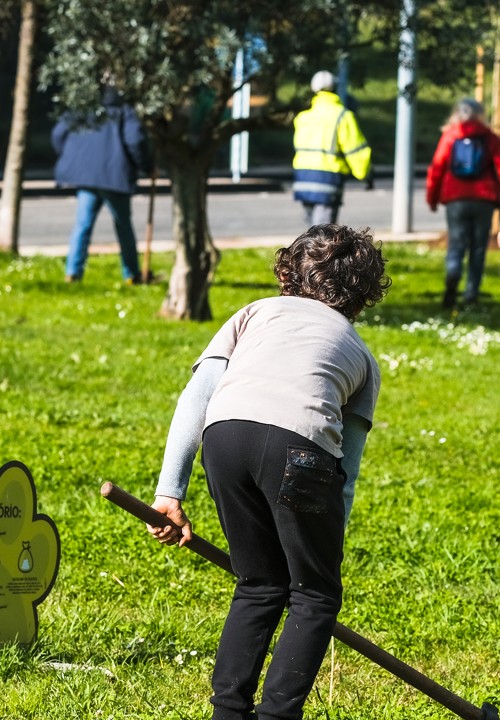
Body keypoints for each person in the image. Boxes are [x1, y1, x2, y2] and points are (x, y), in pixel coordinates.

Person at [147, 224, 390, 720]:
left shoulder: (253, 313)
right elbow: (346, 466)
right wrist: (326, 541)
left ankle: (228, 712)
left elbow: (196, 397)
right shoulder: (361, 355)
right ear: (363, 294)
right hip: (301, 450)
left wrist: (170, 491)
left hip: (225, 437)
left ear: (288, 273)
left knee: (258, 583)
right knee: (315, 593)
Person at [52, 86, 149, 283]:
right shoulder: (124, 110)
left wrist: (72, 155)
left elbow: (58, 134)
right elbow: (135, 140)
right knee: (123, 226)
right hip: (114, 176)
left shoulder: (82, 106)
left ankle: (73, 272)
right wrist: (147, 166)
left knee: (82, 225)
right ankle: (131, 274)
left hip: (86, 175)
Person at [425, 97, 500, 309]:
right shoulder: (490, 137)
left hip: (455, 198)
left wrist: (432, 198)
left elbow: (437, 168)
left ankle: (452, 276)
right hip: (484, 199)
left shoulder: (450, 136)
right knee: (478, 248)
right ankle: (471, 293)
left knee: (456, 243)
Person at [292, 71, 372, 225]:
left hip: (302, 178)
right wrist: (365, 174)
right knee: (324, 232)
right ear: (335, 88)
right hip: (328, 179)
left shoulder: (303, 117)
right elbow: (355, 151)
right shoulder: (342, 116)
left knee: (311, 229)